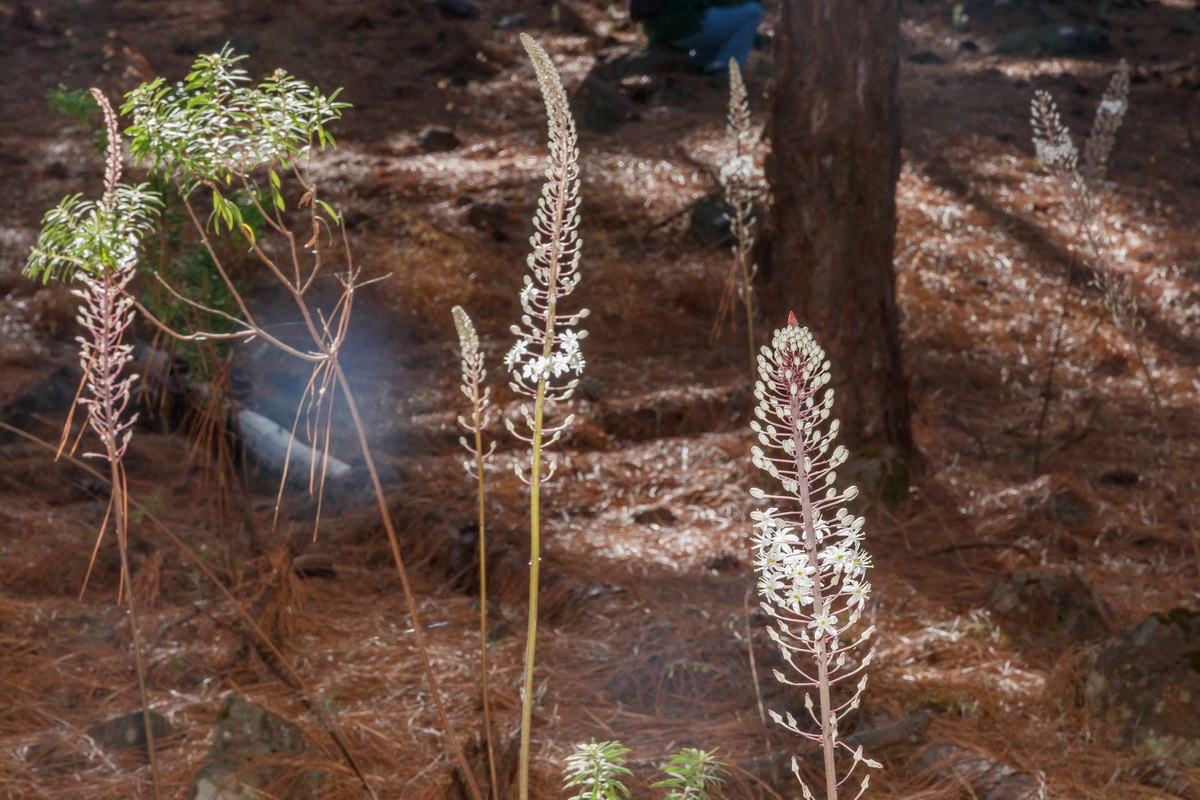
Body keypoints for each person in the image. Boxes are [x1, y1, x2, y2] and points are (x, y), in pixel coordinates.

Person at [631, 0, 764, 75]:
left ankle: (703, 65)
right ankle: (726, 69)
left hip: (656, 32)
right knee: (754, 12)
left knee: (721, 20)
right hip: (686, 29)